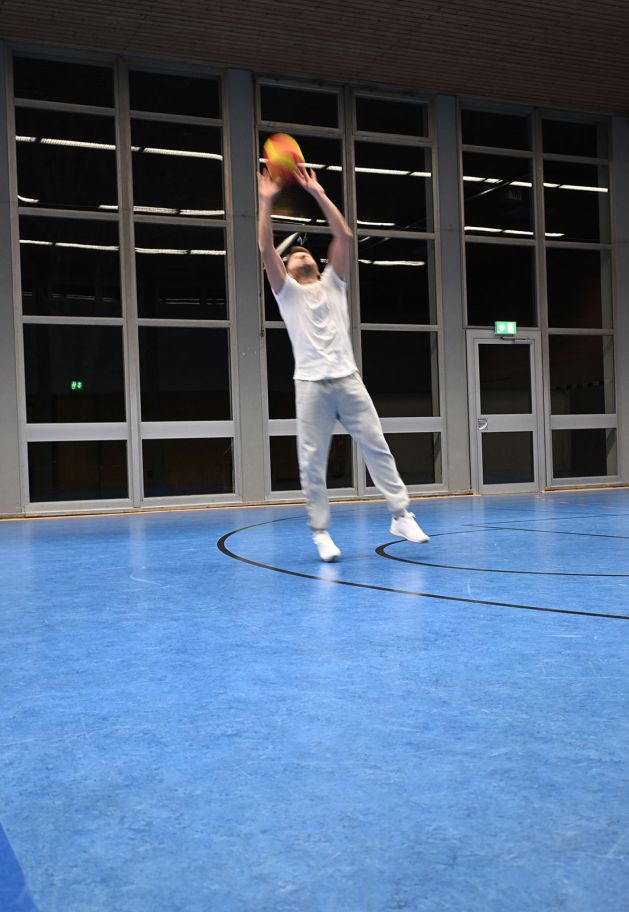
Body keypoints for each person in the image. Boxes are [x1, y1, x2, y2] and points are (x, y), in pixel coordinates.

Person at [257, 163, 429, 562]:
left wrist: (317, 193)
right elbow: (265, 249)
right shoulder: (286, 293)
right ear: (287, 270)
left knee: (377, 447)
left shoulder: (334, 283)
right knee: (312, 464)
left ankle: (401, 515)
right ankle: (321, 534)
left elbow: (345, 236)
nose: (300, 254)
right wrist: (266, 201)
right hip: (310, 385)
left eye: (305, 251)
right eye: (293, 254)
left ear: (317, 264)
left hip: (348, 379)